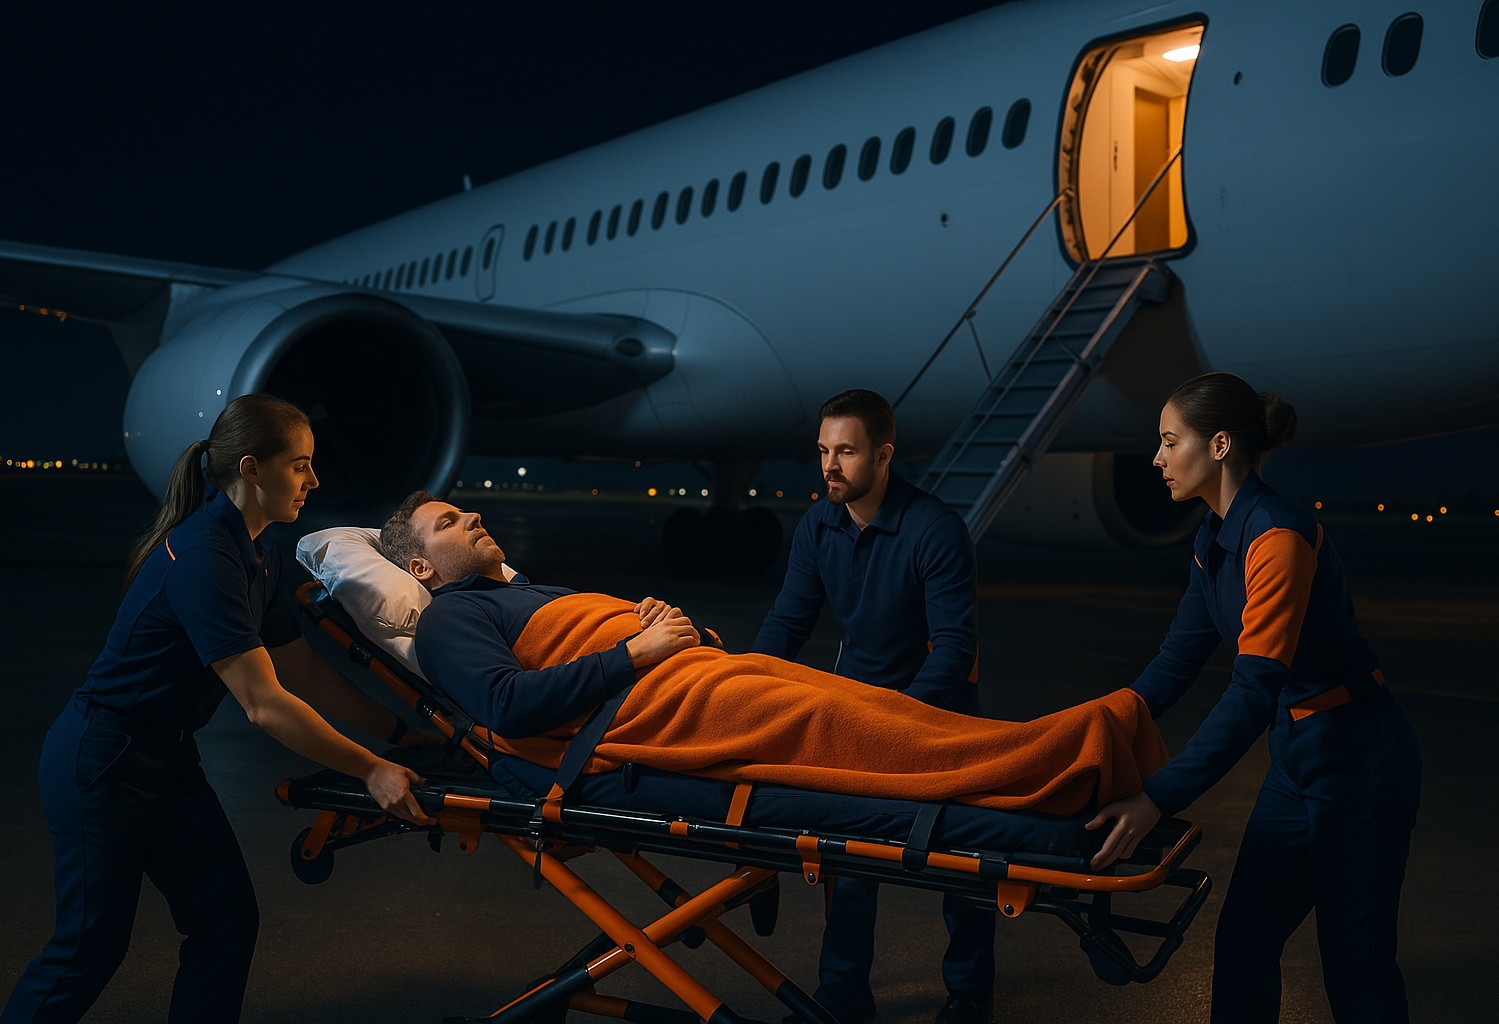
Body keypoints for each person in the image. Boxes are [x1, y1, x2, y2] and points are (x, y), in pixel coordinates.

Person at [1, 394, 433, 1024]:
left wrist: (402, 734)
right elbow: (263, 704)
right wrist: (372, 768)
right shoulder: (204, 555)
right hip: (103, 761)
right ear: (252, 468)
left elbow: (304, 670)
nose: (315, 480)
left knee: (225, 924)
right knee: (88, 947)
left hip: (167, 759)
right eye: (300, 465)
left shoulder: (258, 551)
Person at [377, 490, 1165, 817]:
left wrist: (664, 628)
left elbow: (589, 642)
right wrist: (635, 651)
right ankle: (1064, 762)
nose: (474, 516)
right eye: (450, 523)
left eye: (467, 510)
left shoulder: (524, 590)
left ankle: (1064, 750)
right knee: (849, 728)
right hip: (654, 713)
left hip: (695, 675)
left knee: (871, 709)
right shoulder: (450, 620)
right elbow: (507, 706)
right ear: (419, 568)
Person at [1085, 372, 1422, 1024]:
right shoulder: (1213, 539)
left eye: (1168, 441)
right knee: (1244, 941)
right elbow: (1174, 663)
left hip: (1359, 757)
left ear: (1217, 446)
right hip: (1299, 755)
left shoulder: (1277, 536)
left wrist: (1158, 798)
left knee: (1356, 965)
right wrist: (1091, 729)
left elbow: (1250, 692)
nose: (1155, 458)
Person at [751, 389, 992, 1024]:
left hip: (938, 715)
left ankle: (969, 996)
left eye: (847, 452)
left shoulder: (934, 528)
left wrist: (897, 719)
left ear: (883, 455)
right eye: (823, 451)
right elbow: (786, 624)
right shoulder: (817, 523)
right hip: (856, 708)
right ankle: (844, 996)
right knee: (848, 864)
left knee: (958, 868)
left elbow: (954, 647)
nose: (830, 466)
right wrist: (744, 687)